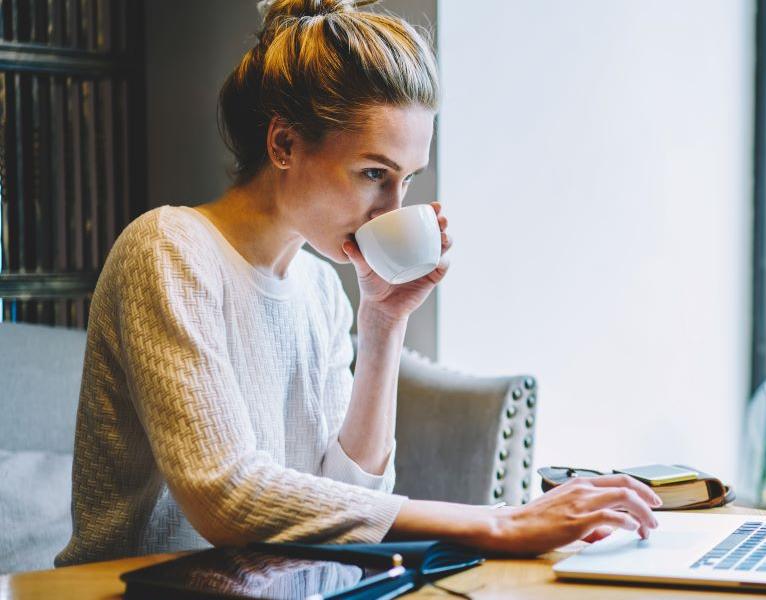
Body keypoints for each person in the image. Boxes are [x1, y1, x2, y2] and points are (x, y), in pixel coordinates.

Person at [56, 0, 658, 567]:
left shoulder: (318, 287)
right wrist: (496, 523)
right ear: (284, 144)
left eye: (408, 180)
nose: (393, 208)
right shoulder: (167, 249)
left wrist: (383, 324)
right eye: (375, 173)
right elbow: (227, 499)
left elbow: (341, 504)